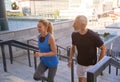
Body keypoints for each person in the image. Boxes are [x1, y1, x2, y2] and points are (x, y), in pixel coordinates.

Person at [68, 15, 106, 82]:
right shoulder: (74, 35)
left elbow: (103, 48)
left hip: (90, 66)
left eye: (75, 23)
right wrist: (70, 59)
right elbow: (73, 47)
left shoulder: (93, 35)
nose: (73, 25)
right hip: (79, 64)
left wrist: (98, 64)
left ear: (82, 25)